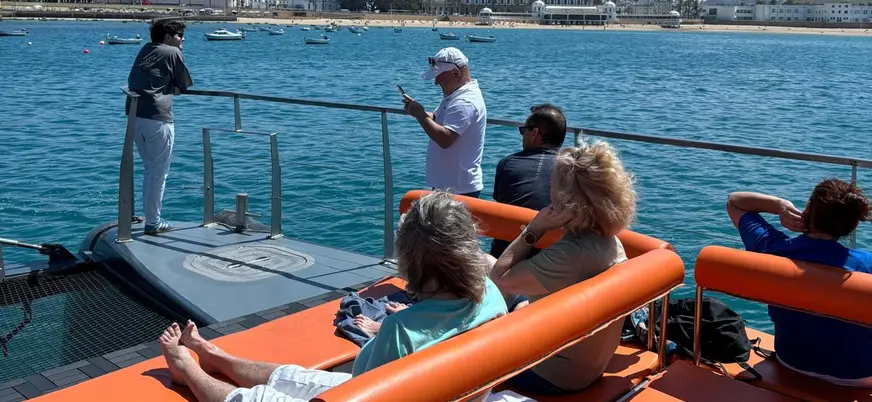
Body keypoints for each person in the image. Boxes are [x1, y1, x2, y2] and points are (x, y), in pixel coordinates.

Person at [158, 191, 510, 402]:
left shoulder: (401, 331)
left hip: (367, 394)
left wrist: (386, 330)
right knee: (293, 377)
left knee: (254, 399)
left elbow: (366, 386)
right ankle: (215, 356)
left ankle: (189, 369)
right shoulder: (492, 295)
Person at [489, 141, 637, 395]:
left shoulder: (571, 254)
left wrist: (535, 229)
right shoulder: (610, 242)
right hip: (586, 365)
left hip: (549, 374)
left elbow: (498, 279)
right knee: (488, 264)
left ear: (566, 199)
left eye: (551, 186)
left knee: (482, 295)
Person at [726, 179, 872, 387]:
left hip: (792, 361)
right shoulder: (867, 266)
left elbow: (735, 201)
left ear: (807, 211)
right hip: (860, 376)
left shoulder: (772, 247)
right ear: (852, 225)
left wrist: (780, 205)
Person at [127, 19, 193, 235]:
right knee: (158, 173)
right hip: (157, 118)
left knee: (150, 170)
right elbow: (184, 85)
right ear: (167, 37)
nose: (182, 40)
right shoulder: (171, 52)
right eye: (179, 36)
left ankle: (148, 217)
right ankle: (153, 223)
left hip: (136, 116)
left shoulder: (146, 49)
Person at [403, 47, 487, 198]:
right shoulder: (455, 96)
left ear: (455, 73)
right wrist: (417, 112)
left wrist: (421, 115)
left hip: (459, 189)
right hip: (450, 186)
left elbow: (446, 138)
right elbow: (438, 119)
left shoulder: (465, 101)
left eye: (439, 76)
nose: (436, 82)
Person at [489, 104, 567, 258]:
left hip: (506, 254)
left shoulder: (507, 164)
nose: (522, 135)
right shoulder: (572, 171)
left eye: (523, 131)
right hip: (555, 256)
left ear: (535, 133)